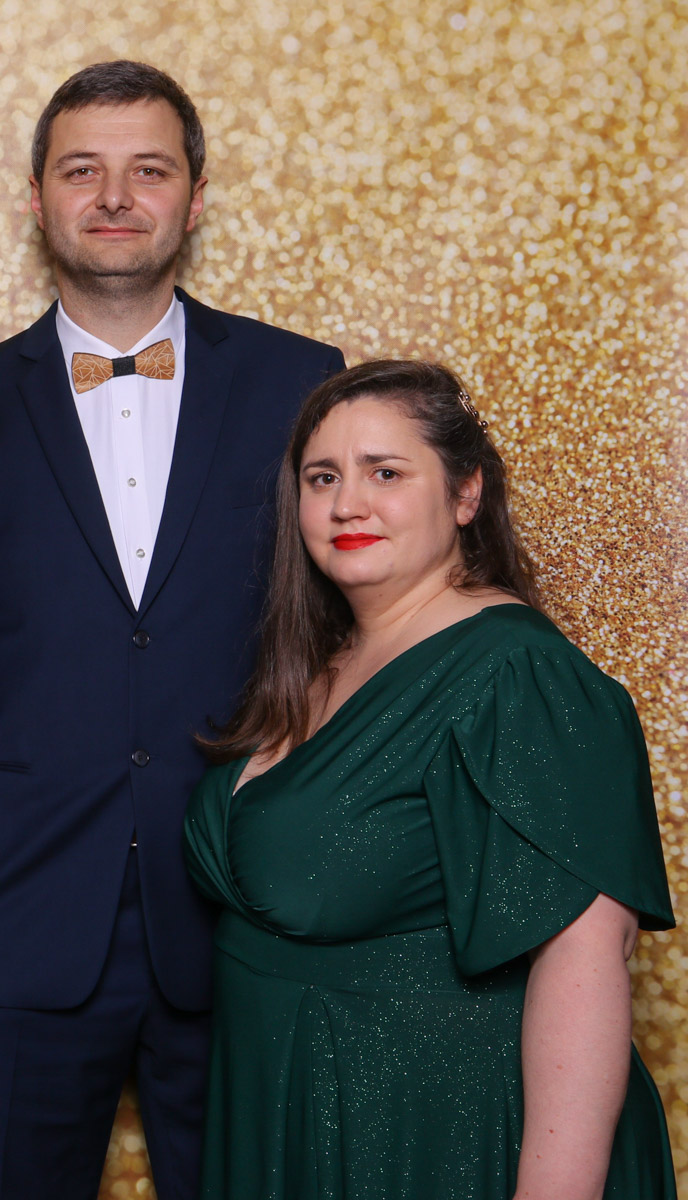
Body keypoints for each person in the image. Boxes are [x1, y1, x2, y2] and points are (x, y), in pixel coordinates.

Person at [0, 61, 344, 1198]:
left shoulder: (305, 387)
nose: (116, 197)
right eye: (82, 170)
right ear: (36, 199)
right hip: (13, 919)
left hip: (252, 914)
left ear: (196, 197)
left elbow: (349, 636)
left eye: (149, 170)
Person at [183, 358, 676, 1198]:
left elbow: (585, 957)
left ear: (466, 493)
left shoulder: (519, 673)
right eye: (323, 477)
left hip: (439, 1139)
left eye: (386, 473)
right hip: (289, 1121)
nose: (348, 503)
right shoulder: (322, 662)